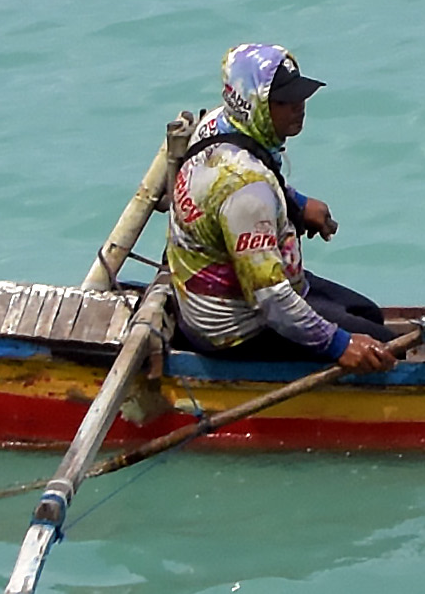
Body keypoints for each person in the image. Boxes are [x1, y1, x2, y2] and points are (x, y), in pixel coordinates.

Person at [160, 43, 398, 369]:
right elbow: (272, 300)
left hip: (230, 286)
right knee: (387, 350)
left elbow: (253, 174)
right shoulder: (247, 193)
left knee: (367, 314)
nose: (299, 107)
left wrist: (296, 205)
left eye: (300, 96)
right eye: (284, 102)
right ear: (254, 105)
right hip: (232, 329)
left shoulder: (219, 124)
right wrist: (339, 345)